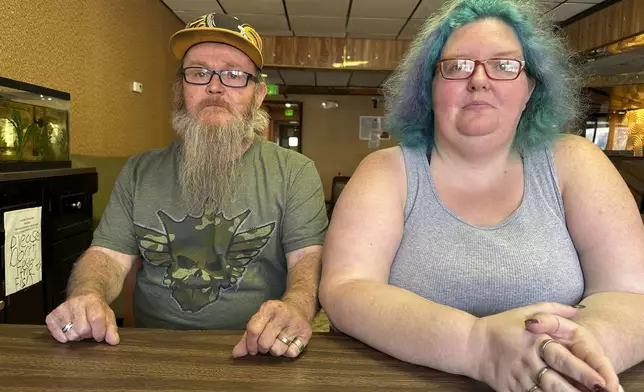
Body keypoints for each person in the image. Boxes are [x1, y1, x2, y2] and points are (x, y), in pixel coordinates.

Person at [320, 0, 643, 391]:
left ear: (530, 89)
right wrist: (478, 345)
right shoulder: (386, 171)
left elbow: (631, 293)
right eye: (456, 66)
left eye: (505, 65)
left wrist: (575, 353)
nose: (478, 80)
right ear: (429, 88)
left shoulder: (577, 161)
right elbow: (344, 290)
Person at [45, 13, 328, 359]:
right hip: (151, 352)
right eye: (198, 73)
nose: (215, 86)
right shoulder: (139, 171)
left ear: (256, 95)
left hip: (258, 352)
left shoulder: (295, 173)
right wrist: (88, 294)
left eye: (234, 74)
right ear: (181, 90)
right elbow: (107, 256)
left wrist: (296, 306)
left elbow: (307, 260)